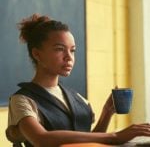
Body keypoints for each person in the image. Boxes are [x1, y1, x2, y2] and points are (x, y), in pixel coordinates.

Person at [6, 13, 150, 147]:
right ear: (37, 54)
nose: (69, 57)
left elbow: (88, 140)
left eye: (72, 50)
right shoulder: (22, 100)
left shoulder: (77, 98)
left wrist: (106, 114)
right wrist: (114, 136)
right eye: (59, 49)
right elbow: (41, 139)